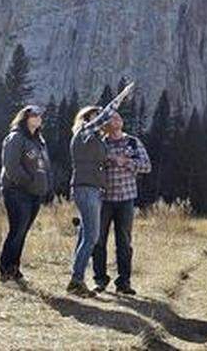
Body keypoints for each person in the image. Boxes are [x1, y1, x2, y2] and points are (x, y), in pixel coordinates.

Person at [67, 82, 134, 297]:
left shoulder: (94, 140)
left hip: (93, 190)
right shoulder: (85, 133)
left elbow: (104, 158)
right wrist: (121, 97)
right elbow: (106, 114)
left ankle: (76, 278)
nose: (101, 120)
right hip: (86, 189)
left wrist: (117, 159)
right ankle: (77, 281)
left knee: (86, 235)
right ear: (88, 119)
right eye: (95, 116)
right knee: (92, 237)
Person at [92, 110, 151, 295]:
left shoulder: (133, 142)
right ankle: (100, 280)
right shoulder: (101, 144)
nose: (116, 119)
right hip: (103, 199)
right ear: (105, 124)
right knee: (98, 240)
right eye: (111, 118)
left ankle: (123, 282)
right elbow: (93, 165)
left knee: (124, 242)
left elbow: (147, 166)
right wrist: (111, 160)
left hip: (126, 199)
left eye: (118, 116)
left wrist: (126, 163)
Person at [0, 104, 52, 284]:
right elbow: (11, 166)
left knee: (22, 232)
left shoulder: (39, 141)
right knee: (17, 230)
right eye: (33, 114)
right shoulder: (16, 137)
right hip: (17, 191)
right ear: (24, 118)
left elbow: (43, 167)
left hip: (35, 193)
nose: (38, 117)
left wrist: (43, 185)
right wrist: (28, 181)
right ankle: (6, 270)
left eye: (40, 115)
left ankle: (15, 268)